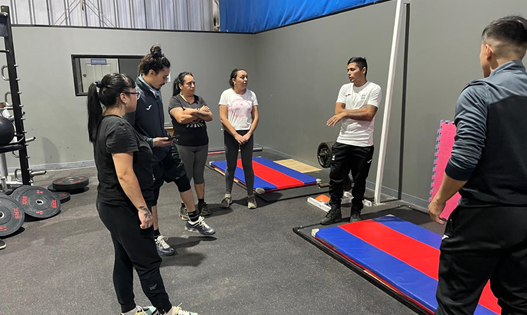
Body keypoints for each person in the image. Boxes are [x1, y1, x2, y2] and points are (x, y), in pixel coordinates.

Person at [429, 16, 527, 315]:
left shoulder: (480, 92)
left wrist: (439, 199)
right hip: (524, 218)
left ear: (487, 50)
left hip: (483, 216)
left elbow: (463, 159)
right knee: (519, 303)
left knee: (455, 303)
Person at [87, 73, 197, 315]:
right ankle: (167, 311)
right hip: (122, 207)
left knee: (124, 257)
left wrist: (150, 142)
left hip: (111, 204)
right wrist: (143, 209)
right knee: (147, 262)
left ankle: (128, 310)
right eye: (134, 93)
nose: (137, 96)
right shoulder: (118, 127)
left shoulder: (108, 121)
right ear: (123, 97)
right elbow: (125, 175)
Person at [125, 45, 215, 257]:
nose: (167, 81)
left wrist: (163, 136)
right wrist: (151, 141)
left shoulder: (155, 91)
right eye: (164, 77)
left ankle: (193, 219)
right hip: (149, 153)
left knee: (183, 180)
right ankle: (156, 236)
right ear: (151, 73)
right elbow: (128, 131)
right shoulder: (134, 95)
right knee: (153, 196)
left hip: (166, 147)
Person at [321, 57, 382, 225]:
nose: (349, 73)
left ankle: (356, 211)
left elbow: (369, 114)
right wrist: (356, 111)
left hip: (363, 144)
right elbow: (337, 111)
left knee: (359, 179)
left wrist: (346, 113)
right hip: (343, 140)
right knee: (335, 177)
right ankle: (335, 210)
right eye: (348, 70)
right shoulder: (344, 88)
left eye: (352, 69)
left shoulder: (374, 89)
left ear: (363, 70)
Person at [169, 72, 213, 217]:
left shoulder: (199, 99)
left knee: (199, 175)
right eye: (189, 83)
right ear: (180, 86)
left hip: (201, 143)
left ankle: (201, 203)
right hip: (184, 145)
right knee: (185, 176)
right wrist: (200, 112)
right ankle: (185, 206)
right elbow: (181, 118)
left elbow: (210, 117)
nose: (192, 86)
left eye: (194, 83)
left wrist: (191, 111)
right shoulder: (175, 101)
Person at [218, 69, 259, 209]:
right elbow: (223, 117)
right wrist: (235, 134)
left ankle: (250, 196)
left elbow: (256, 117)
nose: (245, 79)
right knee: (231, 165)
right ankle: (228, 195)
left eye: (247, 77)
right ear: (234, 80)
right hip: (231, 134)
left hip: (247, 134)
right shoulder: (226, 94)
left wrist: (248, 134)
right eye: (242, 77)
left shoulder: (251, 94)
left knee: (248, 165)